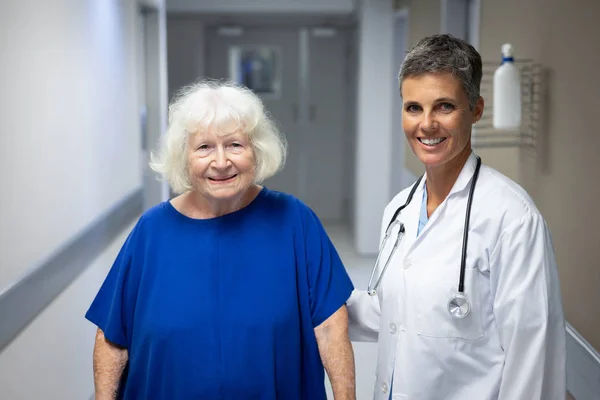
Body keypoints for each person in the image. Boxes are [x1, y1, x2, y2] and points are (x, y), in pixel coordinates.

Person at [86, 80, 356, 400]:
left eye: (234, 145)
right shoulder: (151, 231)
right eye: (204, 147)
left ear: (256, 150)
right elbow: (112, 338)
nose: (221, 162)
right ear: (183, 156)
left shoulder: (295, 221)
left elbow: (330, 329)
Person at [346, 34, 566, 399]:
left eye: (444, 106)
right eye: (413, 107)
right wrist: (310, 301)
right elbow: (394, 311)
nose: (426, 124)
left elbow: (533, 358)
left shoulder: (512, 218)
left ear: (476, 109)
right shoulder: (399, 209)